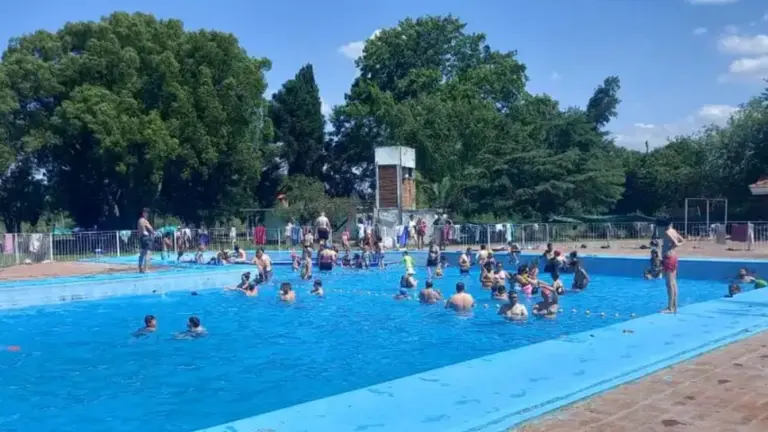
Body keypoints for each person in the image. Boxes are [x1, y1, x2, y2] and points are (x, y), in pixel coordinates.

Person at [660, 219, 684, 313]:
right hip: (673, 257)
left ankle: (670, 308)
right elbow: (682, 240)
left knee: (669, 284)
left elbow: (677, 243)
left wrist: (672, 246)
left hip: (668, 259)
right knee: (673, 283)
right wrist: (674, 245)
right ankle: (674, 306)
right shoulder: (674, 231)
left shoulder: (667, 232)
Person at [137, 208, 155, 273]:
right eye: (147, 213)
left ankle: (140, 269)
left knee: (141, 253)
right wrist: (153, 232)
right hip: (146, 238)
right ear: (144, 213)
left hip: (141, 238)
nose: (148, 215)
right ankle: (146, 269)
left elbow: (139, 231)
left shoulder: (139, 221)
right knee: (148, 253)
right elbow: (150, 228)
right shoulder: (144, 220)